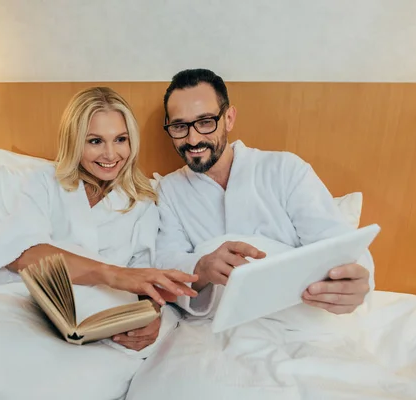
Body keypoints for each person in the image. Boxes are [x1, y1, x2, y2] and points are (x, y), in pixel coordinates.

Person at [0, 86, 198, 351]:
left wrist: (149, 317)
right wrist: (111, 274)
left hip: (101, 324)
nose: (111, 154)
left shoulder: (142, 203)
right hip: (32, 310)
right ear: (74, 141)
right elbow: (21, 253)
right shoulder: (46, 182)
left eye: (120, 139)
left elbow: (144, 279)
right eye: (95, 141)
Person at [154, 68, 373, 317]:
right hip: (218, 324)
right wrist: (201, 267)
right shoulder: (169, 190)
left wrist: (355, 283)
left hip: (297, 316)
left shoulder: (285, 169)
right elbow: (165, 263)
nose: (193, 139)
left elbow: (337, 245)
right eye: (180, 126)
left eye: (205, 122)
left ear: (229, 118)